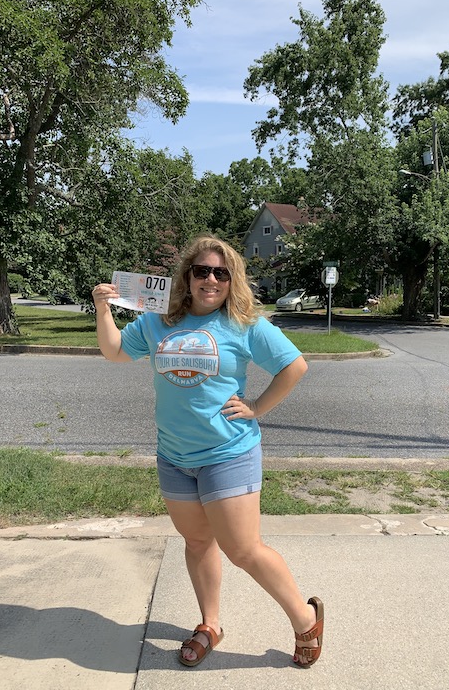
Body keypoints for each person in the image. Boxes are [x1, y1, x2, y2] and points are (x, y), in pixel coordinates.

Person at [92, 234, 324, 668]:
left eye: (221, 272)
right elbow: (115, 352)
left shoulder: (243, 324)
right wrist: (103, 308)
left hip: (227, 452)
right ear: (188, 276)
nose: (211, 279)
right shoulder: (157, 322)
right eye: (202, 271)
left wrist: (256, 407)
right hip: (175, 456)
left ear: (232, 280)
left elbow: (295, 366)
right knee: (198, 541)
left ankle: (305, 618)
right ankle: (210, 624)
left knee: (243, 550)